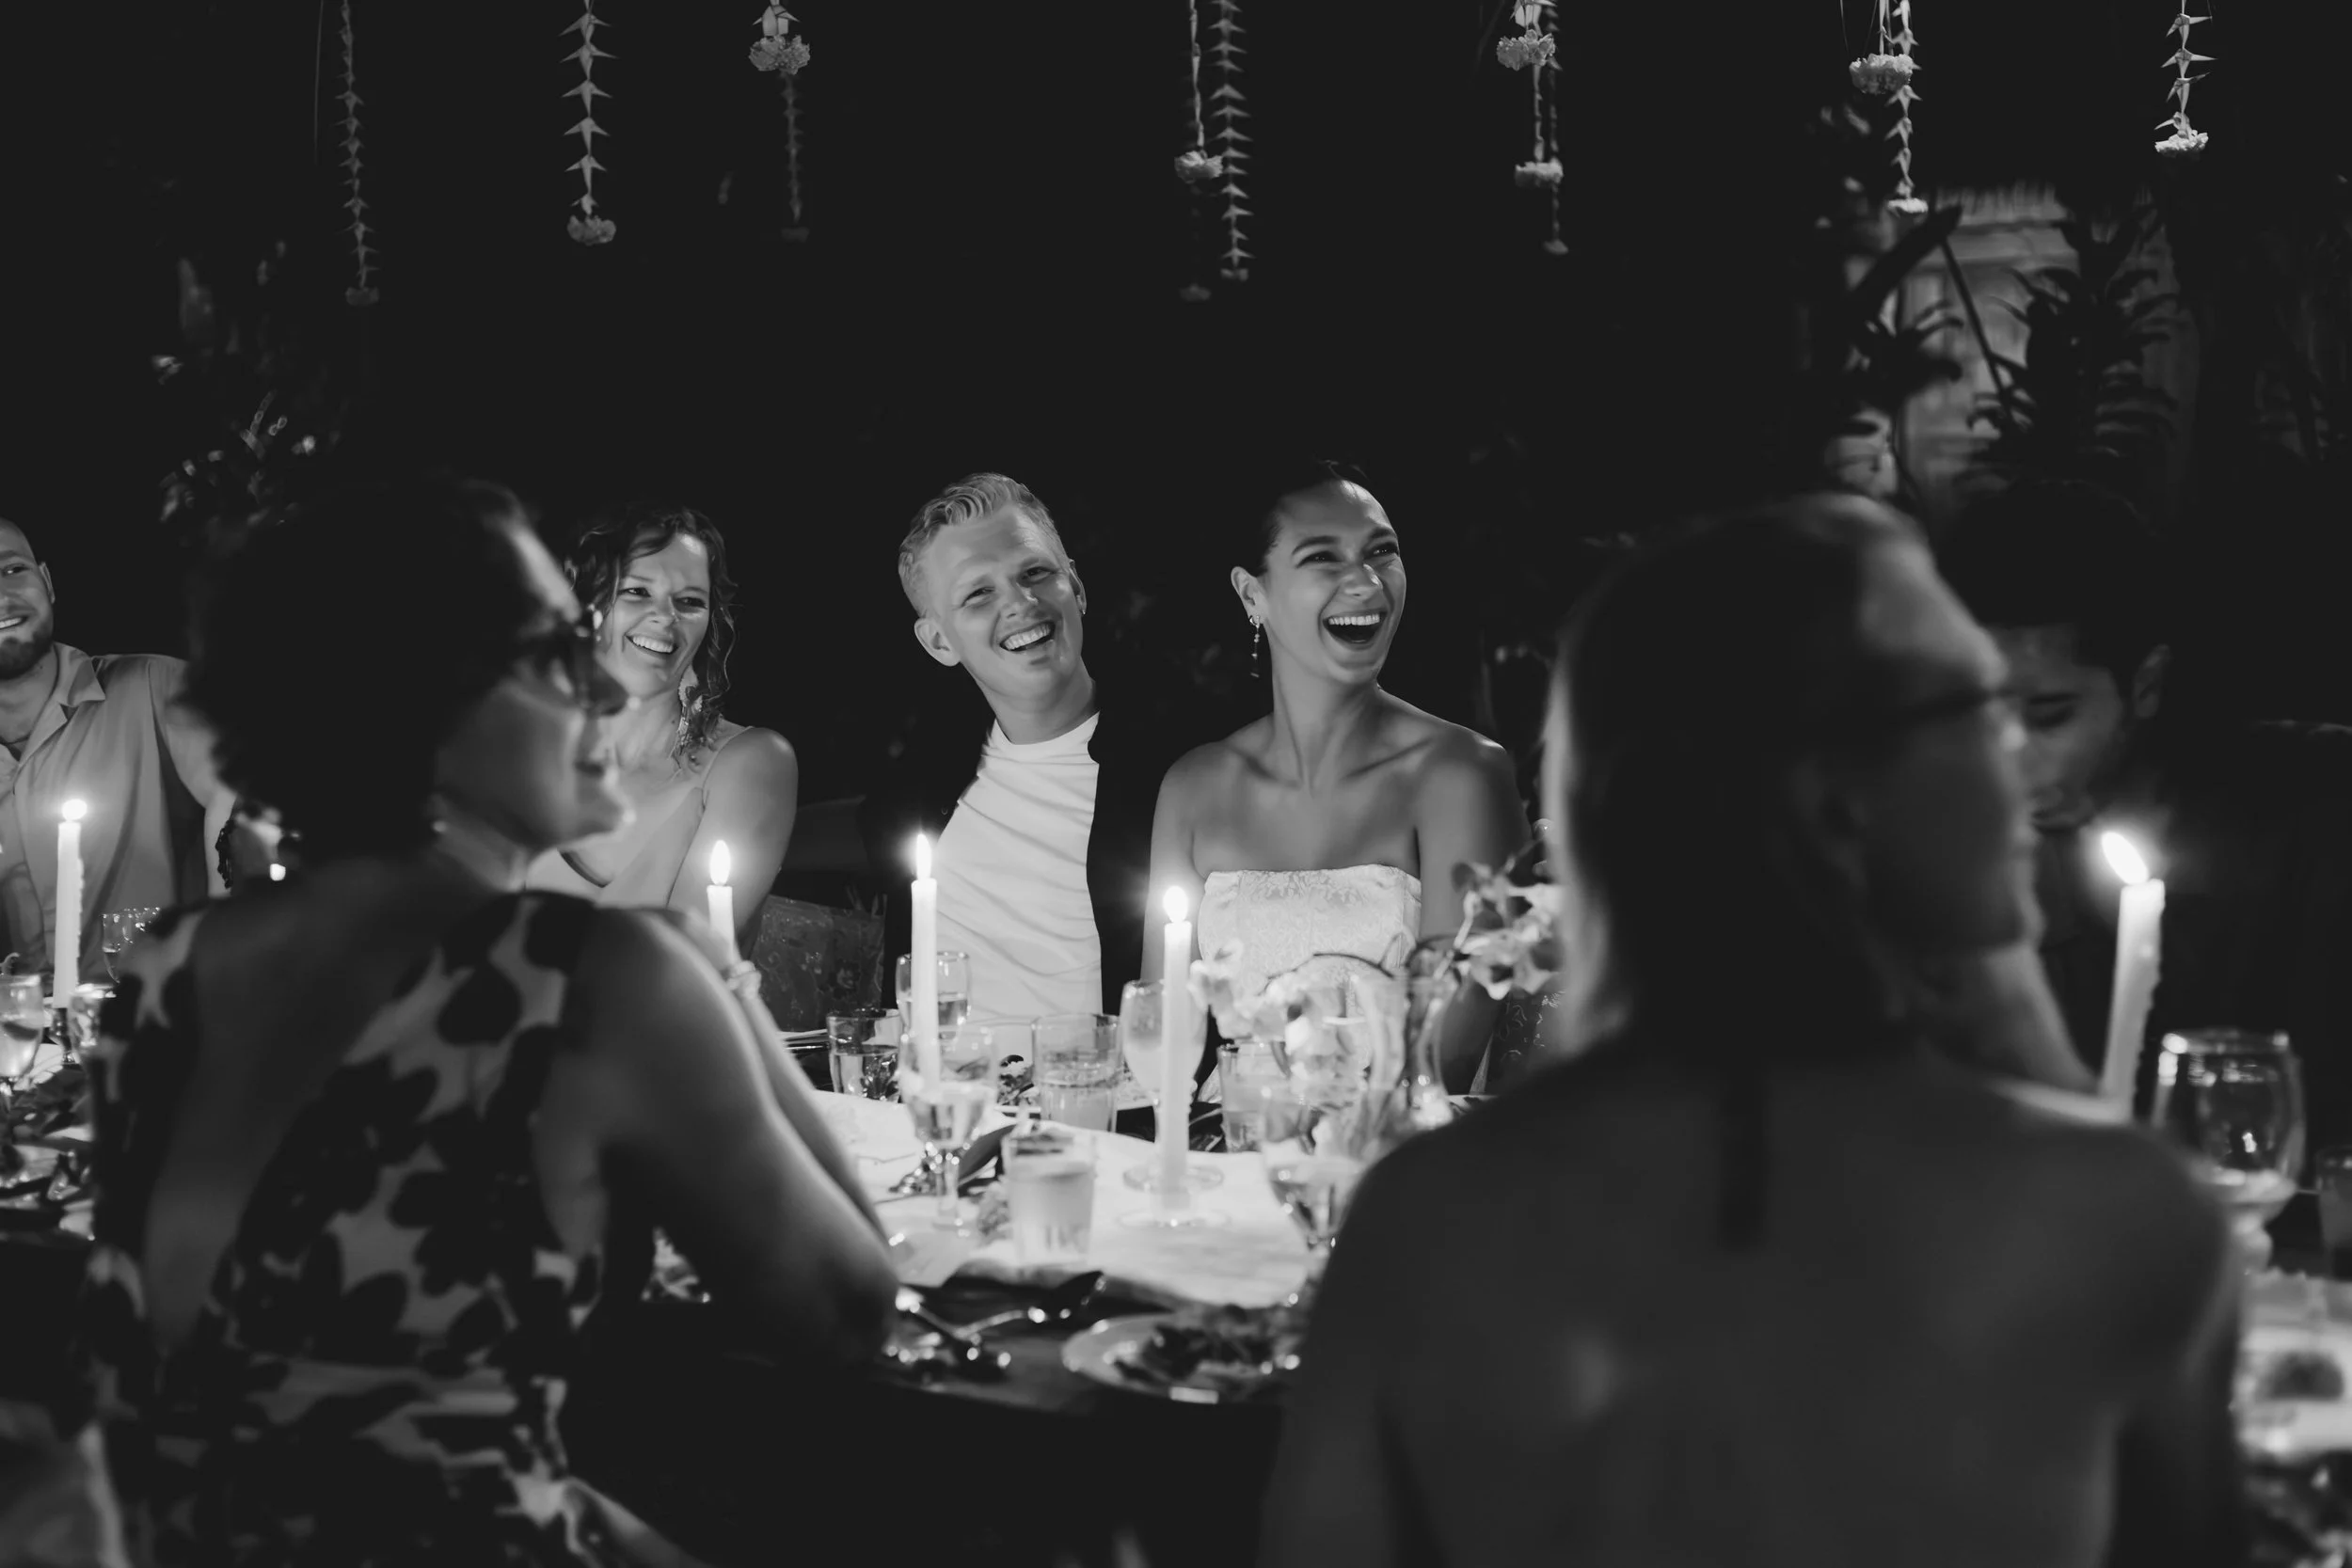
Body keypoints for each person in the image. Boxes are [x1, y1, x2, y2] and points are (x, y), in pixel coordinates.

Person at [1261, 495, 2243, 1568]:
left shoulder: (1424, 1214)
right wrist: (2006, 1004)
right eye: (1975, 710)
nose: (2015, 760)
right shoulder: (2117, 1215)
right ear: (1839, 798)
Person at [80, 476, 897, 1563]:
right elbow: (845, 1312)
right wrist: (720, 982)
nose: (597, 685)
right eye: (552, 650)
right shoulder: (596, 977)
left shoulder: (175, 962)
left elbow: (271, 1398)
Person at [1938, 478, 2352, 1139]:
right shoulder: (1939, 857)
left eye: (2049, 716)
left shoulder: (2311, 810)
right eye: (1973, 715)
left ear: (2147, 683)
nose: (2004, 762)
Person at [1145, 460, 1526, 1091]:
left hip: (1401, 1143)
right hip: (1221, 1135)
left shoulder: (1462, 776)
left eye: (1382, 552)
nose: (1366, 581)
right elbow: (1159, 1041)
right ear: (1252, 594)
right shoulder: (1193, 788)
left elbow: (1443, 1066)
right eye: (1323, 557)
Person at [860, 472, 1189, 1025]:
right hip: (937, 1076)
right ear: (939, 641)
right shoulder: (934, 770)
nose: (1020, 601)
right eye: (978, 593)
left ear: (1076, 588)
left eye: (1035, 572)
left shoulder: (1173, 774)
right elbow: (858, 826)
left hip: (1094, 1077)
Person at [526, 502, 797, 956]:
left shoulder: (751, 763)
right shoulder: (522, 748)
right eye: (637, 591)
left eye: (690, 601)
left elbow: (683, 969)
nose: (665, 617)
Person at [0, 516, 234, 978]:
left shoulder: (157, 687)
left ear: (47, 582)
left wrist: (221, 955)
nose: (2, 596)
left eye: (12, 570)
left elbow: (245, 803)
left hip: (164, 1009)